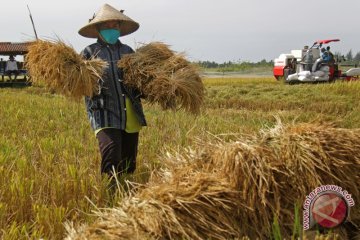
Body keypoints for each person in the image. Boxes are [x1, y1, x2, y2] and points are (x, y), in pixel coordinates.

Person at [79, 4, 147, 185]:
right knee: (112, 155)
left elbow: (140, 81)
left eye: (115, 25)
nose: (112, 29)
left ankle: (126, 194)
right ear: (98, 29)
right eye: (107, 26)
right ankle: (110, 197)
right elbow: (78, 83)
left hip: (130, 114)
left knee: (128, 162)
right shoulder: (89, 53)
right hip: (104, 113)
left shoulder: (128, 52)